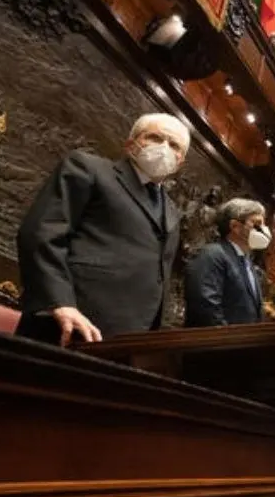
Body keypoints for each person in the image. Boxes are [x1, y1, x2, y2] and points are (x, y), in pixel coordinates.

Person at [16, 113, 188, 344]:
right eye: (155, 137)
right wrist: (58, 302)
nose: (164, 147)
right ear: (131, 143)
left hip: (132, 338)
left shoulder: (172, 210)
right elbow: (42, 233)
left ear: (180, 161)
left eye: (174, 145)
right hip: (68, 325)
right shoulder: (88, 168)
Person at [183, 199, 269, 327]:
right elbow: (205, 306)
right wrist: (227, 339)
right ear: (235, 226)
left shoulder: (247, 263)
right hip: (217, 343)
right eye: (257, 224)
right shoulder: (212, 254)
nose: (263, 230)